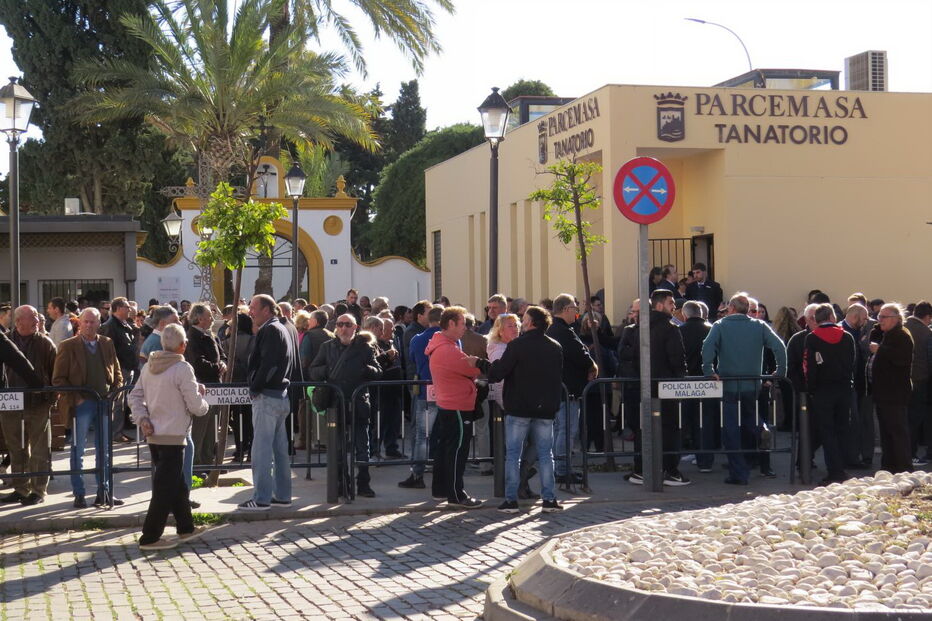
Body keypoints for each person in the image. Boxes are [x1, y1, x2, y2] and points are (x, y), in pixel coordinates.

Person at [129, 323, 210, 550]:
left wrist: (143, 419)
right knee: (165, 488)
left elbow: (134, 397)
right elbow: (195, 405)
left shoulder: (148, 366)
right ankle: (150, 536)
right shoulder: (182, 369)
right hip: (173, 435)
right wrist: (203, 402)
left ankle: (186, 526)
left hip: (155, 434)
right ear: (182, 345)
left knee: (176, 484)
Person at [701, 292, 786, 485]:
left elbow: (707, 347)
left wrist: (708, 370)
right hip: (752, 383)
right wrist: (780, 371)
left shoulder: (720, 326)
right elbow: (779, 347)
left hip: (729, 383)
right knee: (749, 415)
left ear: (730, 308)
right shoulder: (759, 325)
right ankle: (760, 428)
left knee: (731, 429)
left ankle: (739, 473)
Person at [489, 306, 564, 513]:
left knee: (513, 455)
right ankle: (549, 499)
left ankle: (511, 500)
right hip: (545, 408)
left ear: (531, 323)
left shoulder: (517, 345)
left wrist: (480, 364)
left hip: (519, 407)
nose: (522, 322)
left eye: (524, 319)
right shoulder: (555, 346)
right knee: (545, 455)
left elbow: (499, 372)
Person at [618, 289, 690, 486]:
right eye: (670, 303)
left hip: (644, 386)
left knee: (645, 429)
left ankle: (642, 470)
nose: (674, 306)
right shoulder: (670, 329)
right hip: (666, 386)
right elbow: (677, 359)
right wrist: (679, 378)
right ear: (659, 305)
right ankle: (670, 471)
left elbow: (632, 358)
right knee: (670, 429)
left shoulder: (639, 328)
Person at [53, 308, 124, 507]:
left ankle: (105, 491)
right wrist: (76, 398)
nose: (89, 325)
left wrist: (115, 393)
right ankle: (79, 493)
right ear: (79, 323)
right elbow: (58, 379)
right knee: (79, 450)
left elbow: (116, 371)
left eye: (93, 322)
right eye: (86, 322)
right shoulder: (68, 346)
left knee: (105, 450)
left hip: (104, 402)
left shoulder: (106, 343)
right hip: (82, 403)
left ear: (99, 323)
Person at [309, 313, 383, 498]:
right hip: (335, 403)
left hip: (358, 403)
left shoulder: (364, 348)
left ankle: (364, 484)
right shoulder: (327, 347)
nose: (343, 328)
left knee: (362, 447)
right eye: (340, 324)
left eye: (347, 324)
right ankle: (342, 483)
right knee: (338, 448)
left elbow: (378, 372)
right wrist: (329, 371)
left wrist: (364, 369)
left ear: (355, 327)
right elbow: (312, 370)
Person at [238, 295, 295, 511]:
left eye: (253, 308)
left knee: (261, 450)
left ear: (266, 310)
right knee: (280, 450)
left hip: (269, 397)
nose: (250, 312)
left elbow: (268, 364)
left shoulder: (271, 330)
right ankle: (282, 495)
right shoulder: (281, 327)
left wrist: (255, 387)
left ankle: (261, 498)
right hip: (280, 395)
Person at [424, 306, 485, 508]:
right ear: (450, 324)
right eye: (462, 324)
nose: (464, 329)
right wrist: (479, 365)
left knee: (446, 448)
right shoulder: (447, 349)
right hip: (457, 405)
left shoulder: (443, 345)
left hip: (450, 403)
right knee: (457, 450)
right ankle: (456, 493)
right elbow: (471, 368)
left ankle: (441, 490)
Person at [0, 306, 56, 506]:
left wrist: (50, 397)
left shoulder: (45, 343)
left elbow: (54, 372)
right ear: (18, 322)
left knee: (40, 448)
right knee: (16, 448)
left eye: (36, 317)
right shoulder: (6, 339)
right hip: (10, 403)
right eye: (31, 317)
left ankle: (38, 490)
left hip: (37, 403)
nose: (36, 320)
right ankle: (20, 488)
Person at [547, 294, 596, 484]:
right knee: (566, 431)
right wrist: (592, 365)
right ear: (566, 309)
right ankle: (561, 470)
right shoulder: (562, 331)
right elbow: (580, 353)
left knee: (561, 430)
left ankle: (560, 468)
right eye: (575, 309)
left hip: (561, 388)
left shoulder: (556, 329)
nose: (576, 313)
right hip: (568, 390)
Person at [804, 303, 856, 484]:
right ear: (833, 317)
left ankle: (834, 471)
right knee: (843, 429)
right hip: (843, 389)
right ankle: (842, 468)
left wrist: (811, 389)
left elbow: (810, 368)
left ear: (816, 320)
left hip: (822, 391)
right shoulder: (847, 336)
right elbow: (852, 364)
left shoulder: (812, 338)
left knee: (827, 432)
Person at [398, 305, 442, 489]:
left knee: (422, 436)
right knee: (441, 433)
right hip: (445, 390)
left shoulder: (418, 338)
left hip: (425, 389)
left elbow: (414, 359)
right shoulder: (451, 339)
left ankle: (417, 473)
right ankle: (440, 471)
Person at [869, 303, 914, 474]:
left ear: (896, 318)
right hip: (884, 393)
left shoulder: (902, 335)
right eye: (879, 316)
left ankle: (903, 468)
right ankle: (889, 466)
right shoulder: (887, 333)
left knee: (897, 431)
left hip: (894, 393)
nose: (880, 320)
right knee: (886, 432)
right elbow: (875, 331)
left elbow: (901, 359)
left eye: (884, 317)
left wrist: (880, 350)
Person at [185, 303, 227, 475]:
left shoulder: (210, 334)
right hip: (203, 386)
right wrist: (217, 367)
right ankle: (196, 464)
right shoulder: (193, 337)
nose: (212, 319)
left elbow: (222, 353)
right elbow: (197, 362)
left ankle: (209, 462)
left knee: (212, 427)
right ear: (199, 318)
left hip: (215, 385)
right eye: (209, 316)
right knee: (200, 428)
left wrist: (222, 363)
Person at [679, 300, 718, 473]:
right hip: (709, 381)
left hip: (686, 382)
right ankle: (705, 460)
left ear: (685, 315)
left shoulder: (679, 331)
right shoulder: (712, 330)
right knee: (706, 421)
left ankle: (680, 455)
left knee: (685, 420)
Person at [840, 303, 876, 468]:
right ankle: (852, 457)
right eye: (864, 318)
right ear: (855, 317)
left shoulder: (866, 330)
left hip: (866, 384)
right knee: (852, 422)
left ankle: (866, 456)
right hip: (849, 384)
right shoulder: (840, 331)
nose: (866, 321)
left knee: (866, 421)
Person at [99, 297, 138, 443]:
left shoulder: (124, 324)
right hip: (120, 368)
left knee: (122, 403)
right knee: (117, 403)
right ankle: (114, 433)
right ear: (119, 308)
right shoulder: (110, 326)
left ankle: (118, 431)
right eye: (127, 307)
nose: (130, 309)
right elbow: (107, 350)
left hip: (127, 367)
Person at [904, 301, 932, 466]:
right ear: (927, 316)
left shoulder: (902, 326)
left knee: (905, 418)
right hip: (920, 380)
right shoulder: (926, 333)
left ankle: (906, 452)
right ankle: (911, 453)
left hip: (902, 380)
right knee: (915, 419)